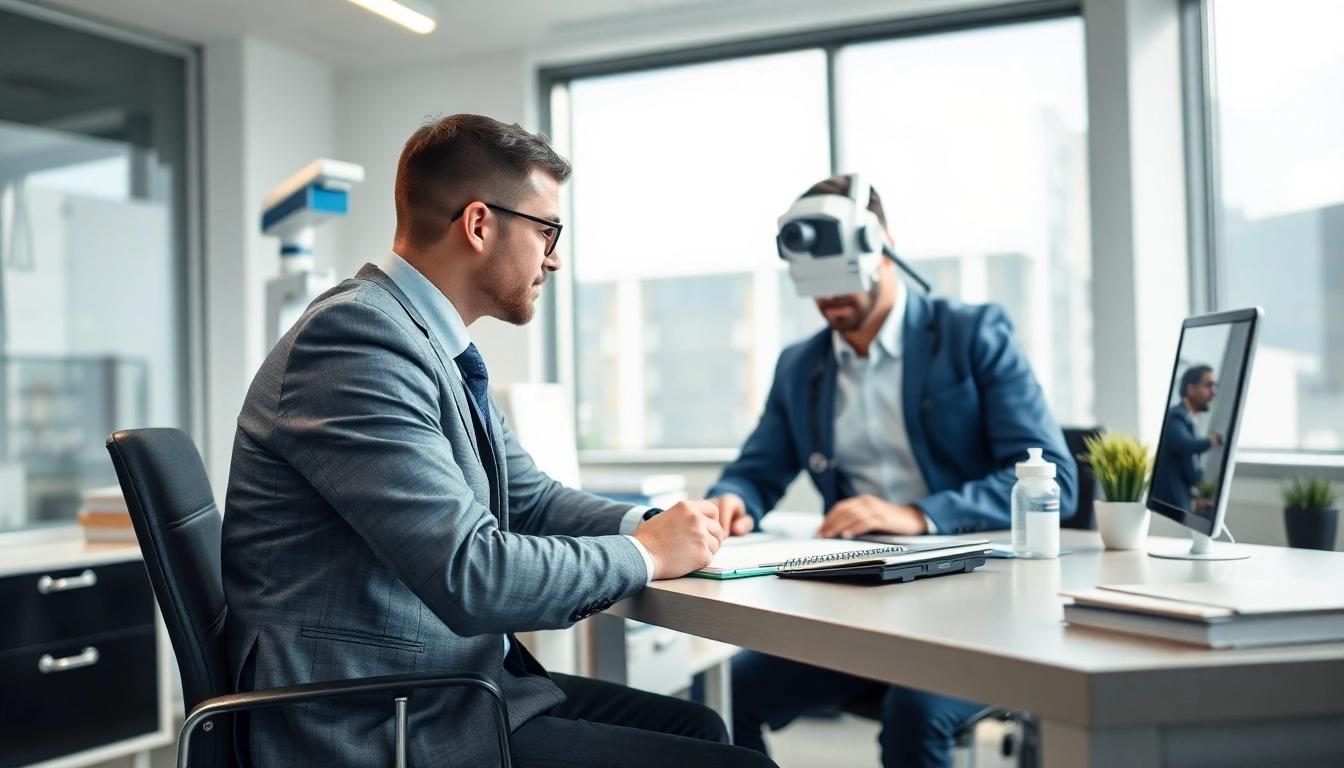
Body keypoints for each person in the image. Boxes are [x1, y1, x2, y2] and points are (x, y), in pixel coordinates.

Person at [221, 114, 776, 768]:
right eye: (547, 230)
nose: (556, 256)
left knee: (704, 729)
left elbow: (530, 501)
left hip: (453, 687)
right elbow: (472, 575)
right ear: (479, 224)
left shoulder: (430, 344)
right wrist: (646, 555)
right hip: (376, 718)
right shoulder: (354, 342)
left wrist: (658, 526)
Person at [703, 176, 1077, 768]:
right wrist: (728, 500)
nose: (830, 303)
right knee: (721, 700)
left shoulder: (972, 334)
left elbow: (1053, 472)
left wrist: (916, 516)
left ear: (882, 246)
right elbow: (756, 471)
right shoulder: (802, 366)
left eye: (843, 281)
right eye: (817, 290)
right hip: (860, 604)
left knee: (916, 714)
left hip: (975, 607)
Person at [1152, 364, 1222, 511]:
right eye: (1208, 385)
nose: (1213, 392)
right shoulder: (1176, 416)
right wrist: (1209, 440)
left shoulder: (1188, 422)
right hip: (1170, 508)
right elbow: (1183, 444)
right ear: (1191, 389)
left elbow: (1188, 469)